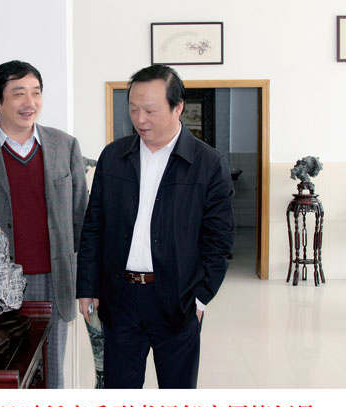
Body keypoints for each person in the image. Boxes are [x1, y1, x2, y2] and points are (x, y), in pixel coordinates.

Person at [76, 65, 235, 389]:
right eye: (133, 109)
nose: (140, 119)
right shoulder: (114, 156)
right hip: (120, 296)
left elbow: (219, 240)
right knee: (120, 392)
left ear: (178, 108)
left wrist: (200, 299)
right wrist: (87, 287)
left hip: (177, 298)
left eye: (150, 110)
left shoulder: (207, 163)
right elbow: (94, 226)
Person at [0, 60, 88, 388]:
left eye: (36, 93)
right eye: (19, 93)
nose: (29, 102)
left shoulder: (64, 145)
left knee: (51, 372)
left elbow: (81, 219)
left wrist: (88, 283)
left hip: (52, 280)